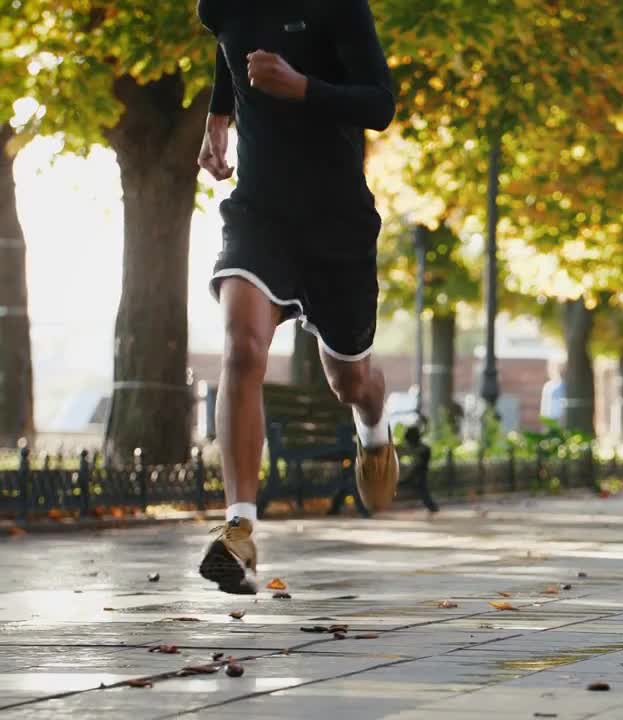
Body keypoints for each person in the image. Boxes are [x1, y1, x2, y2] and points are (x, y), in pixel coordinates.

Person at [194, 0, 398, 594]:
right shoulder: (222, 7)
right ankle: (240, 528)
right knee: (241, 349)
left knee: (349, 382)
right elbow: (232, 46)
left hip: (336, 221)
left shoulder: (339, 6)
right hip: (260, 214)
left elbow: (379, 104)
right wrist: (218, 116)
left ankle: (375, 427)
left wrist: (301, 87)